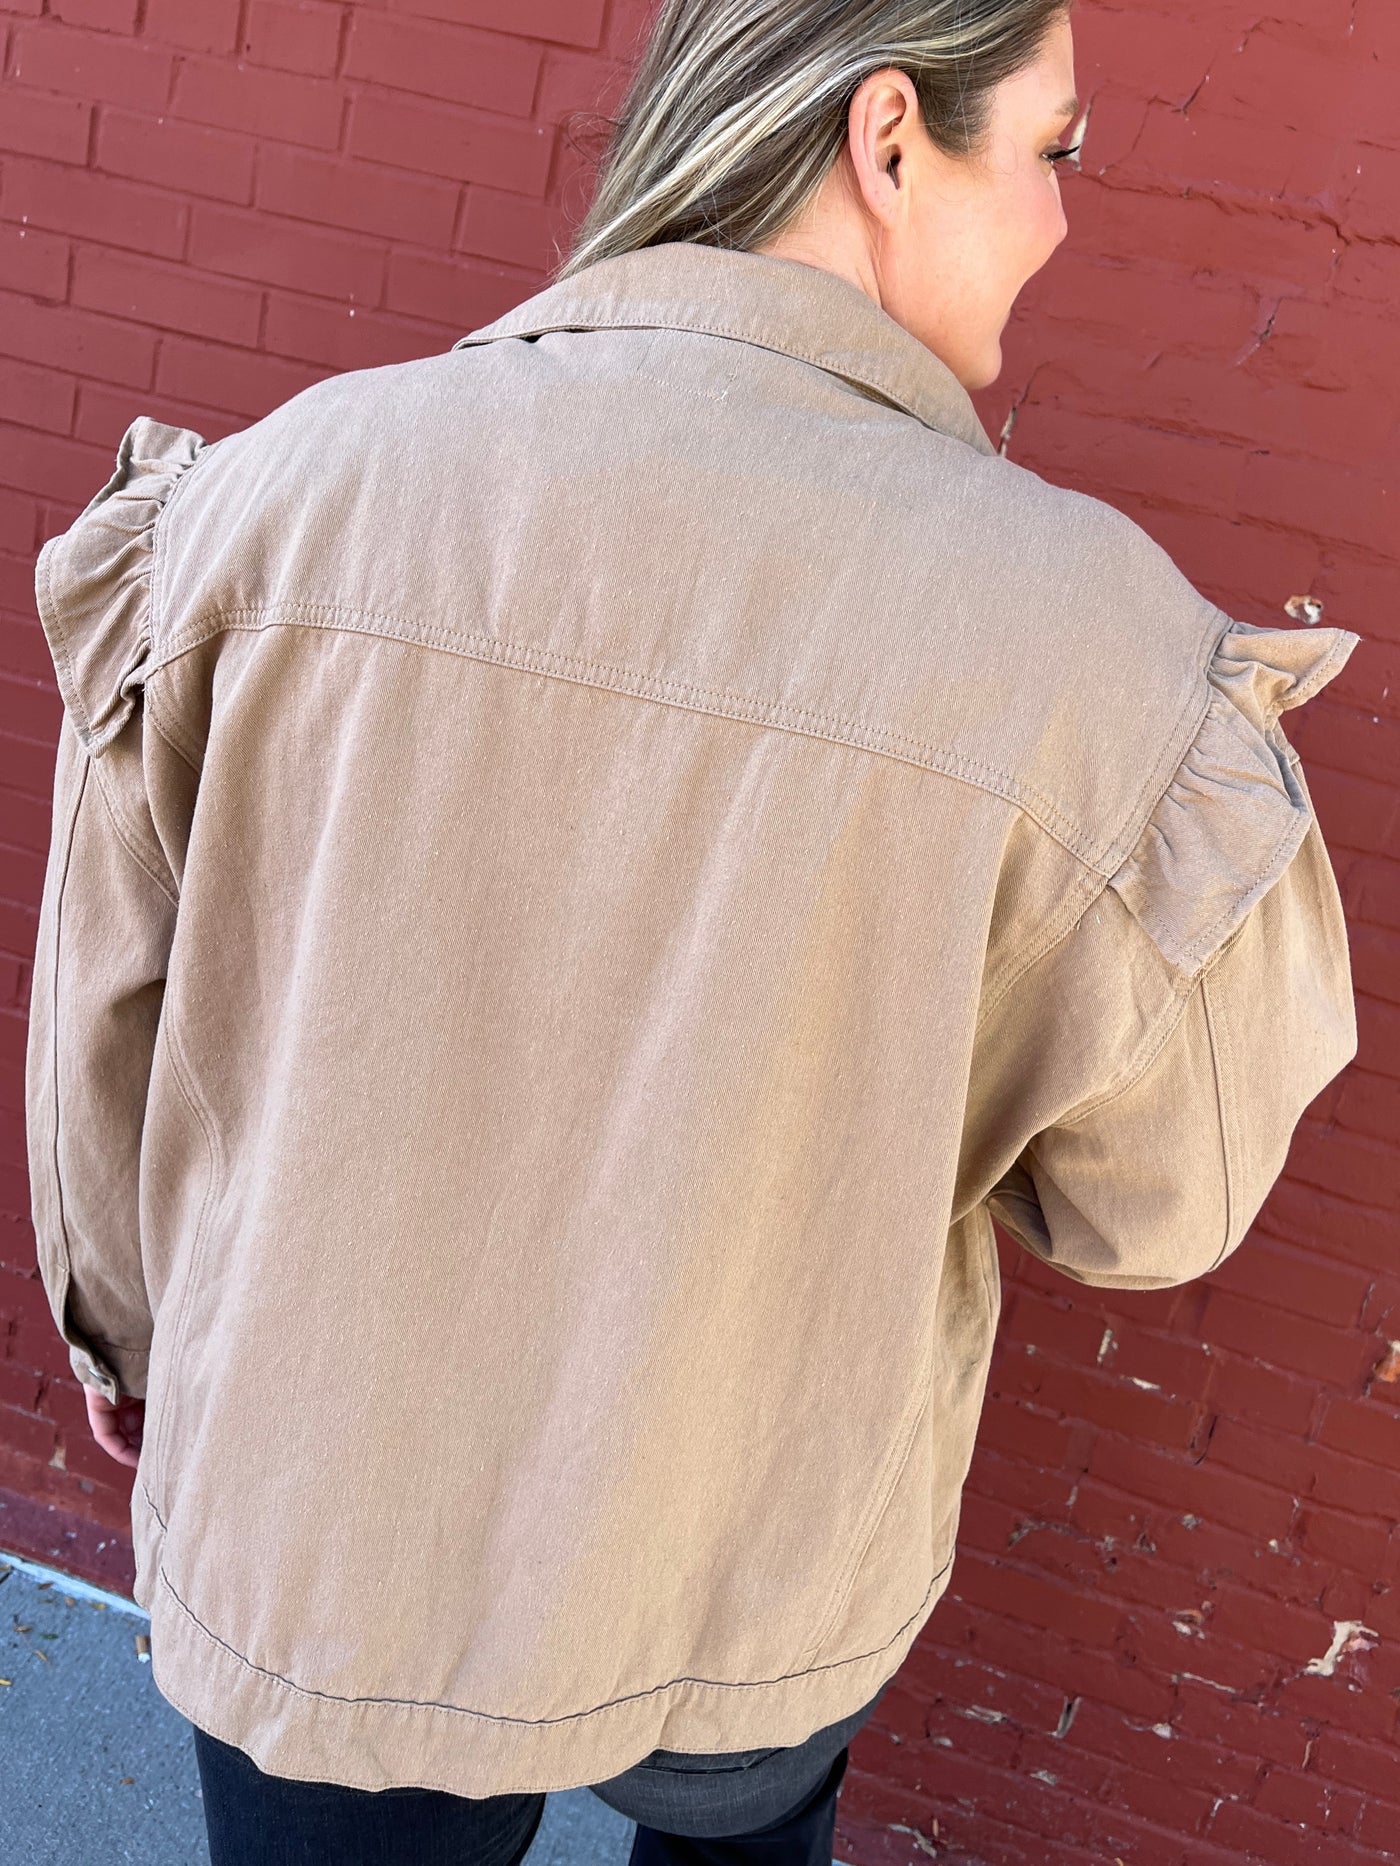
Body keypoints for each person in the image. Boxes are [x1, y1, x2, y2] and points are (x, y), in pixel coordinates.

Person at [24, 1, 1360, 1862]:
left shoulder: (276, 497)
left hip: (330, 1533)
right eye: (1051, 150)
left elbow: (114, 1011)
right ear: (889, 137)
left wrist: (128, 1340)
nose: (1064, 219)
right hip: (749, 1561)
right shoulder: (1094, 650)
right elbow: (1156, 1208)